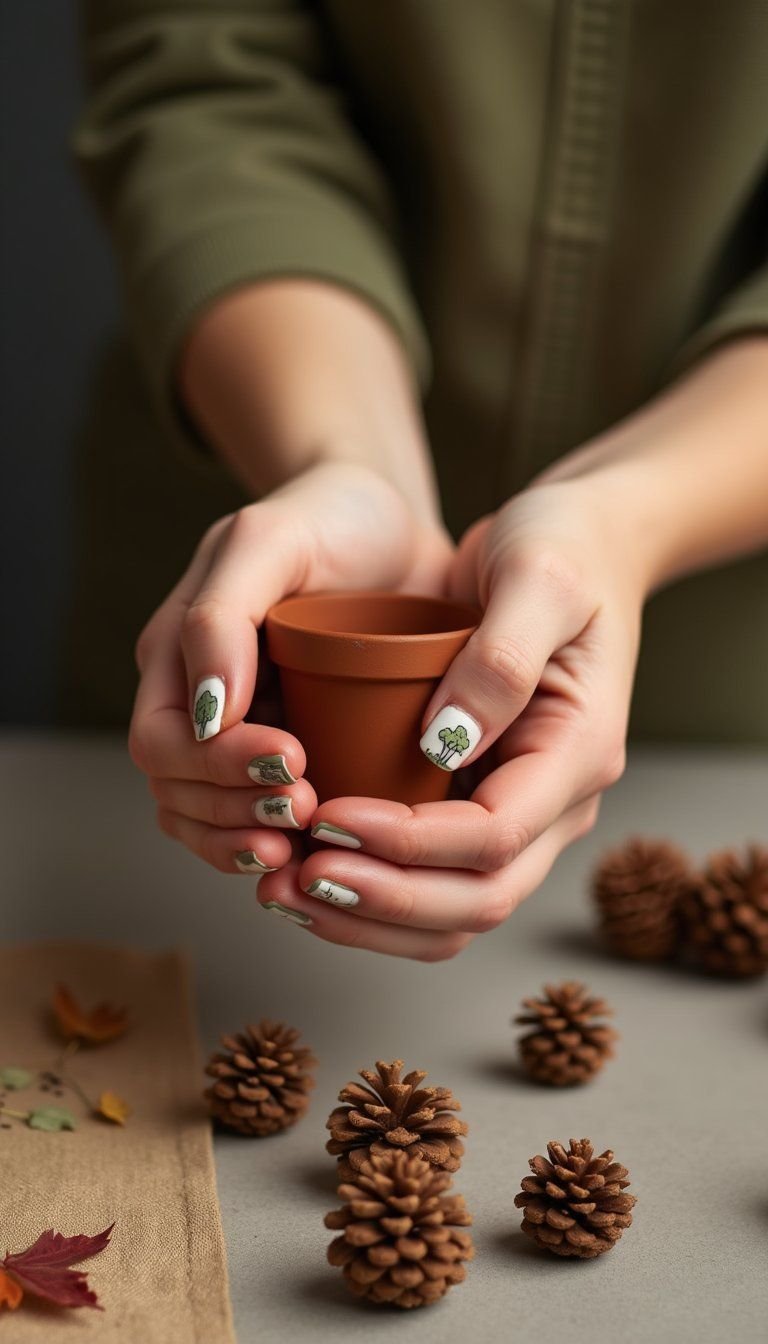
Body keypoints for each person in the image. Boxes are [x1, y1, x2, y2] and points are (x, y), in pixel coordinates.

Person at [67, 2, 768, 961]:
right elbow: (205, 79)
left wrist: (626, 523)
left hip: (719, 683)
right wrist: (345, 465)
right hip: (247, 580)